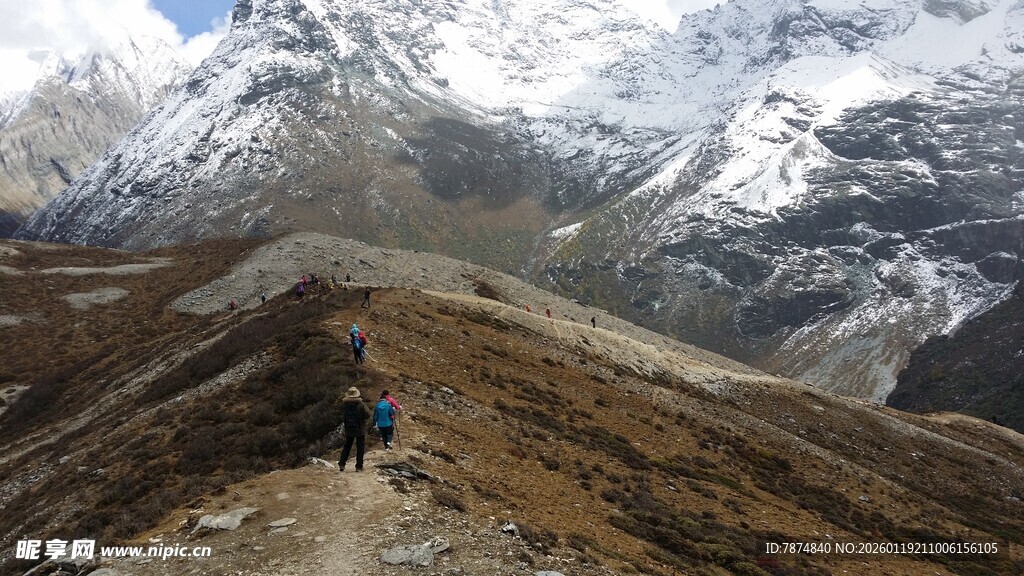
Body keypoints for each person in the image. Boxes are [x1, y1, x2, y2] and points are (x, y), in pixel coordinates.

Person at [338, 387, 372, 472]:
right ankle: (358, 466)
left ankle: (342, 464)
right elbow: (368, 414)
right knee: (360, 447)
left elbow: (342, 415)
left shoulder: (345, 404)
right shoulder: (361, 404)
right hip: (360, 428)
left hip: (349, 428)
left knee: (347, 446)